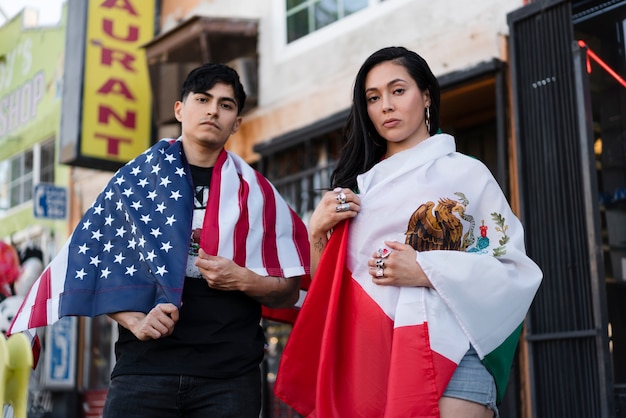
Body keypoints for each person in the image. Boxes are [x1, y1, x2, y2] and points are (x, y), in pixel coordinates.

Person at [8, 63, 310, 417]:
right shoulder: (135, 180)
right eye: (203, 99)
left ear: (237, 122)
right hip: (144, 372)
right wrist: (134, 320)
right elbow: (90, 263)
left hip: (229, 377)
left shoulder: (258, 193)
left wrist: (241, 279)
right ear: (179, 109)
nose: (213, 110)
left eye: (226, 105)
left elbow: (289, 290)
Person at [274, 47, 542, 418]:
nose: (386, 105)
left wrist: (425, 270)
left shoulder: (466, 175)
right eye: (373, 97)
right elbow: (329, 296)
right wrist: (317, 232)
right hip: (371, 361)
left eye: (398, 91)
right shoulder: (357, 192)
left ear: (427, 95)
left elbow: (514, 270)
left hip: (453, 354)